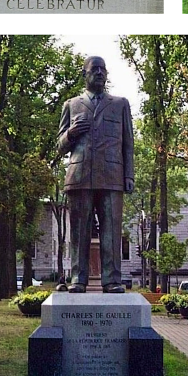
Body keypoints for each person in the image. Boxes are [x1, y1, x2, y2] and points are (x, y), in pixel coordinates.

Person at [56, 56, 134, 293]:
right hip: (80, 175)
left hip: (112, 176)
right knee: (79, 230)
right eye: (94, 69)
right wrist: (71, 133)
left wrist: (128, 175)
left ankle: (111, 281)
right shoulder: (71, 105)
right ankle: (78, 279)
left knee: (111, 230)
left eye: (103, 69)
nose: (99, 73)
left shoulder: (120, 104)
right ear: (85, 75)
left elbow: (128, 143)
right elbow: (59, 147)